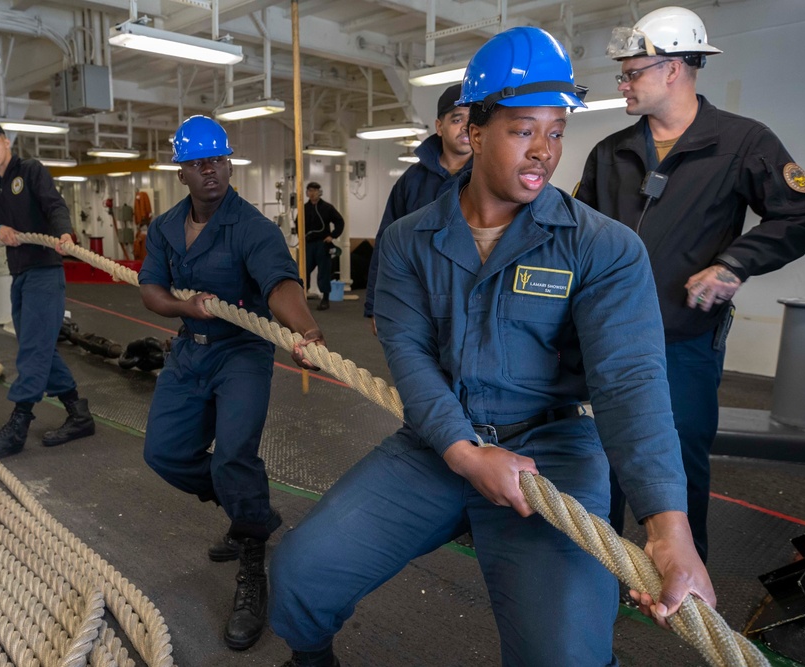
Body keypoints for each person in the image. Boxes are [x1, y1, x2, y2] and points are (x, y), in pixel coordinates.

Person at [269, 27, 715, 667]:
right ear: (473, 131)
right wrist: (464, 451)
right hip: (437, 440)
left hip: (553, 451)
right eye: (522, 130)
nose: (544, 151)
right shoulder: (405, 242)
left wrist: (668, 529)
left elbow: (630, 384)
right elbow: (410, 357)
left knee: (566, 656)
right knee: (300, 575)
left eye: (556, 131)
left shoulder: (603, 247)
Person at [574, 6, 805, 562]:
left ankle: (686, 584)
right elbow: (579, 237)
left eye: (632, 72)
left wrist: (734, 264)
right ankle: (599, 572)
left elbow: (801, 214)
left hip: (682, 342)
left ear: (675, 69)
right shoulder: (610, 152)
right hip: (605, 337)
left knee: (680, 458)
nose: (624, 83)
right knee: (600, 456)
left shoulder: (743, 143)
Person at [138, 115, 324, 651]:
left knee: (233, 457)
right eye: (198, 164)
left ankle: (250, 560)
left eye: (218, 161)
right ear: (183, 173)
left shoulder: (252, 228)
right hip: (187, 353)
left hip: (241, 354)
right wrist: (183, 306)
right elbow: (150, 288)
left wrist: (305, 330)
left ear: (227, 163)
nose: (211, 171)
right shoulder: (168, 227)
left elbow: (279, 283)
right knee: (163, 453)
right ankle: (252, 515)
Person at [0, 119, 95, 458]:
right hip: (19, 272)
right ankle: (79, 415)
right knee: (36, 345)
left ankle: (18, 426)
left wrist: (64, 233)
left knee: (32, 351)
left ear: (5, 141)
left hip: (45, 270)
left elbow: (54, 205)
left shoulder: (31, 170)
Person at [363, 82, 473, 332]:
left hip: (471, 302)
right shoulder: (411, 181)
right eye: (457, 119)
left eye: (473, 118)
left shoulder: (490, 178)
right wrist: (376, 304)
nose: (466, 126)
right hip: (416, 300)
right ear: (439, 127)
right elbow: (386, 242)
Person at [297, 182, 344, 310]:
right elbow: (297, 225)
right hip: (308, 244)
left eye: (314, 190)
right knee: (303, 271)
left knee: (324, 271)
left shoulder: (327, 208)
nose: (312, 193)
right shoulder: (304, 209)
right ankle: (301, 298)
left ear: (319, 192)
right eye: (310, 190)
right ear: (307, 192)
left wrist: (332, 236)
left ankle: (325, 299)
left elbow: (340, 221)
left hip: (323, 244)